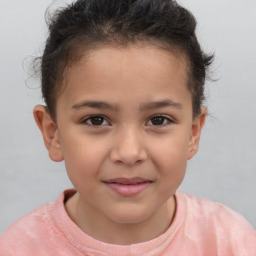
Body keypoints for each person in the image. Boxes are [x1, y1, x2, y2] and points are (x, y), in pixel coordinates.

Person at [0, 0, 255, 255]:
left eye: (158, 120)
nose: (129, 153)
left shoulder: (230, 242)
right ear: (53, 133)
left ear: (193, 133)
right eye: (96, 120)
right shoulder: (18, 249)